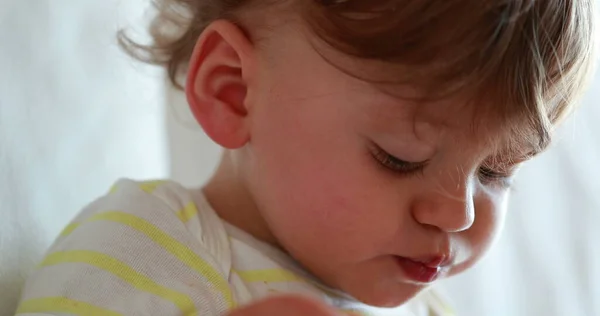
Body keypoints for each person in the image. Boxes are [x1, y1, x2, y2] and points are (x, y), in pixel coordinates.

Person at [14, 0, 596, 315]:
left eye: (496, 171)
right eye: (400, 157)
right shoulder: (147, 248)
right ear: (234, 93)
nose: (459, 214)